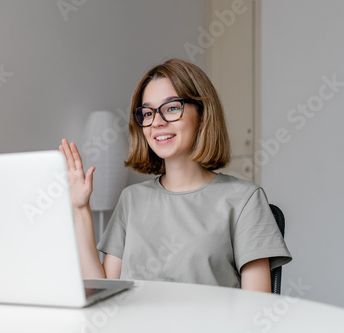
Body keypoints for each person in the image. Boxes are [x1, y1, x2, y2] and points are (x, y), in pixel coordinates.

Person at [59, 58, 291, 292]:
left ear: (202, 114)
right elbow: (104, 290)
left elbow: (256, 312)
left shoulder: (245, 199)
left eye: (171, 108)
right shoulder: (131, 199)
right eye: (147, 113)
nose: (157, 122)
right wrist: (80, 209)